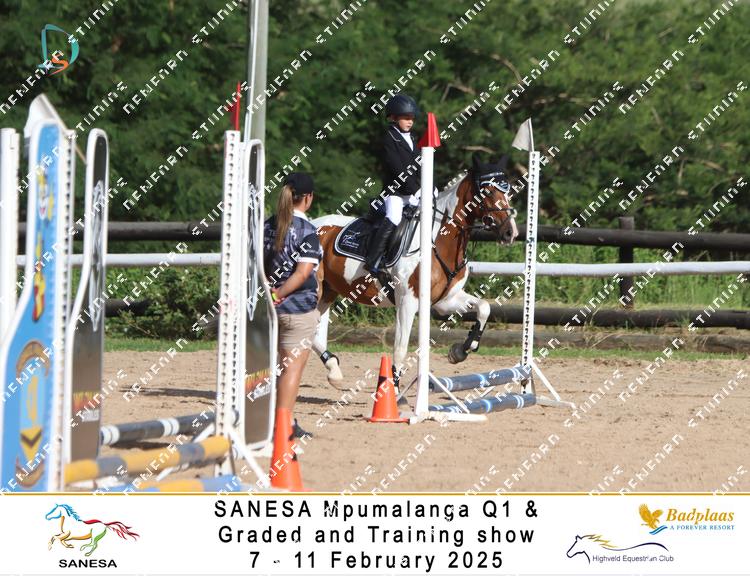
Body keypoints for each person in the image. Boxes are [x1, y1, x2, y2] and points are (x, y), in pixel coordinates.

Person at [263, 172, 322, 438]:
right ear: (308, 198)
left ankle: (269, 420)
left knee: (270, 368)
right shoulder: (308, 230)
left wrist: (269, 294)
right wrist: (279, 293)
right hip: (297, 310)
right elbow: (302, 273)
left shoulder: (267, 225)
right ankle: (282, 426)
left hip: (267, 310)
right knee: (291, 371)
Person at [364, 93, 422, 276]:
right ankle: (374, 260)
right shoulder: (388, 139)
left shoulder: (413, 139)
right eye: (406, 118)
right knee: (394, 217)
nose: (410, 121)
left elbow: (420, 166)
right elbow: (397, 169)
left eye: (412, 118)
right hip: (394, 193)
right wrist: (416, 189)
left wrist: (429, 186)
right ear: (393, 117)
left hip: (412, 193)